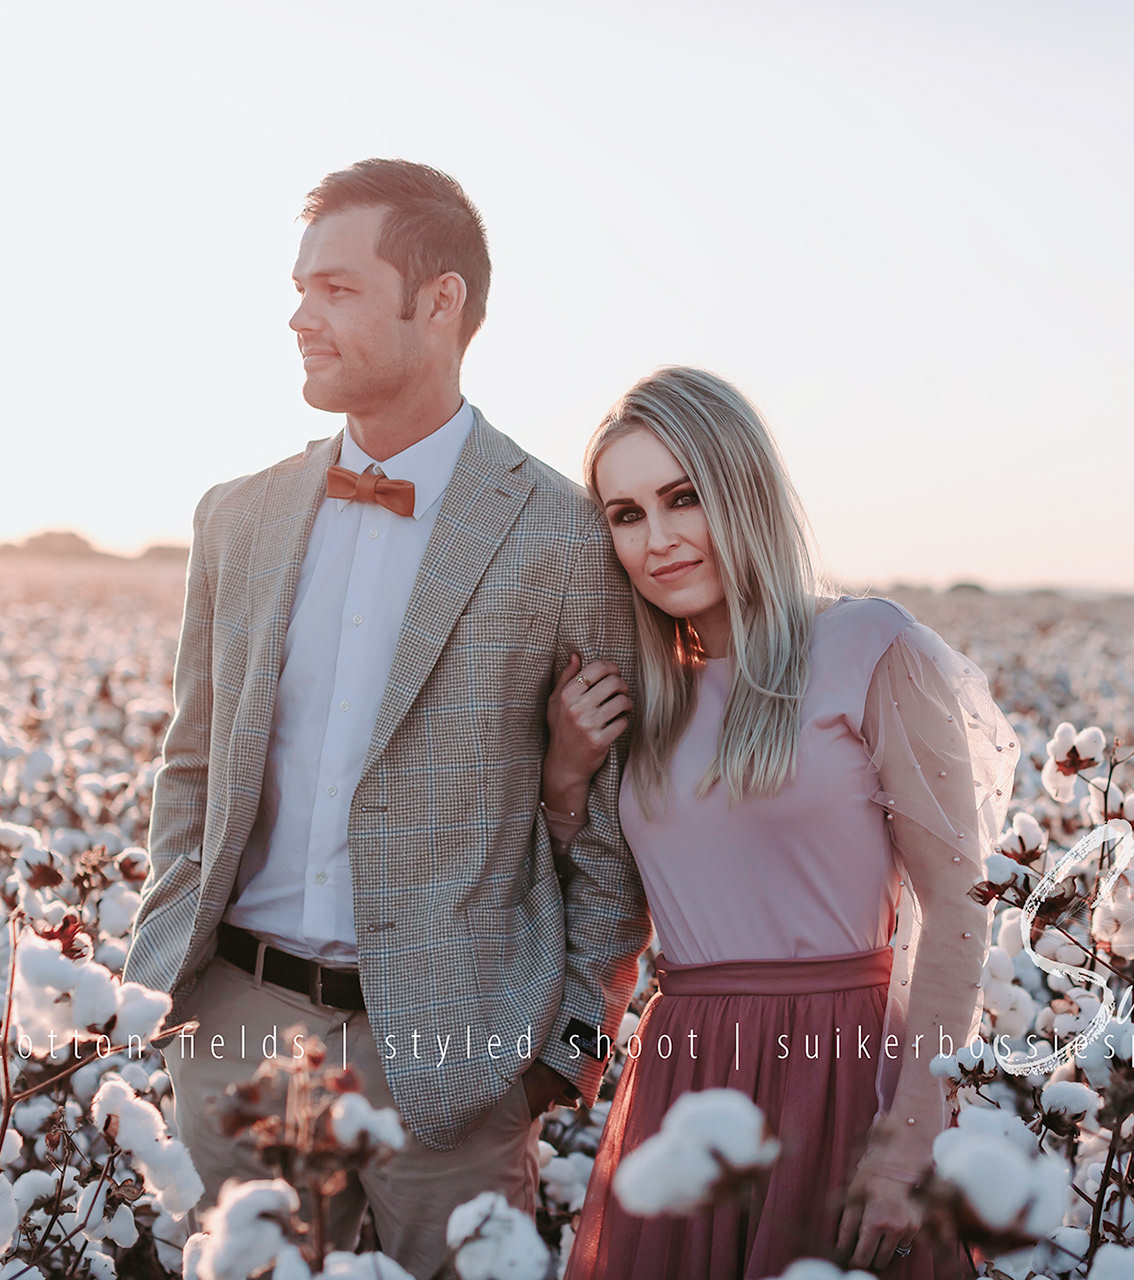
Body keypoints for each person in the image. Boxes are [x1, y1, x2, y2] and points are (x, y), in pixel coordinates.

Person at [120, 158, 651, 1278]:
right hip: (238, 1027)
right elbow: (191, 768)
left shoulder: (563, 535)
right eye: (300, 287)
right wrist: (166, 973)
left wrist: (563, 1057)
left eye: (340, 289)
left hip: (459, 1066)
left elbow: (608, 834)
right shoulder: (239, 517)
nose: (302, 317)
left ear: (441, 301)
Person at [552, 367, 1016, 1277]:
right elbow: (596, 906)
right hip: (681, 1078)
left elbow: (963, 907)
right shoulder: (639, 691)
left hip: (841, 1074)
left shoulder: (869, 648)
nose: (660, 539)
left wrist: (909, 1139)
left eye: (684, 498)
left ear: (744, 487)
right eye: (627, 513)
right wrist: (565, 775)